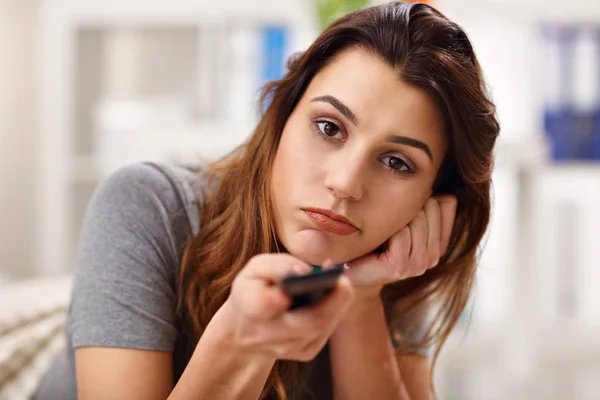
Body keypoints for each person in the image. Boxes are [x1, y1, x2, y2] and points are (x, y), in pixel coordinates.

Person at [34, 1, 499, 399]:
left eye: (397, 163)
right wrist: (240, 340)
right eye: (329, 128)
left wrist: (362, 293)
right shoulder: (147, 205)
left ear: (431, 197)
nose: (345, 184)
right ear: (280, 118)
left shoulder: (394, 256)